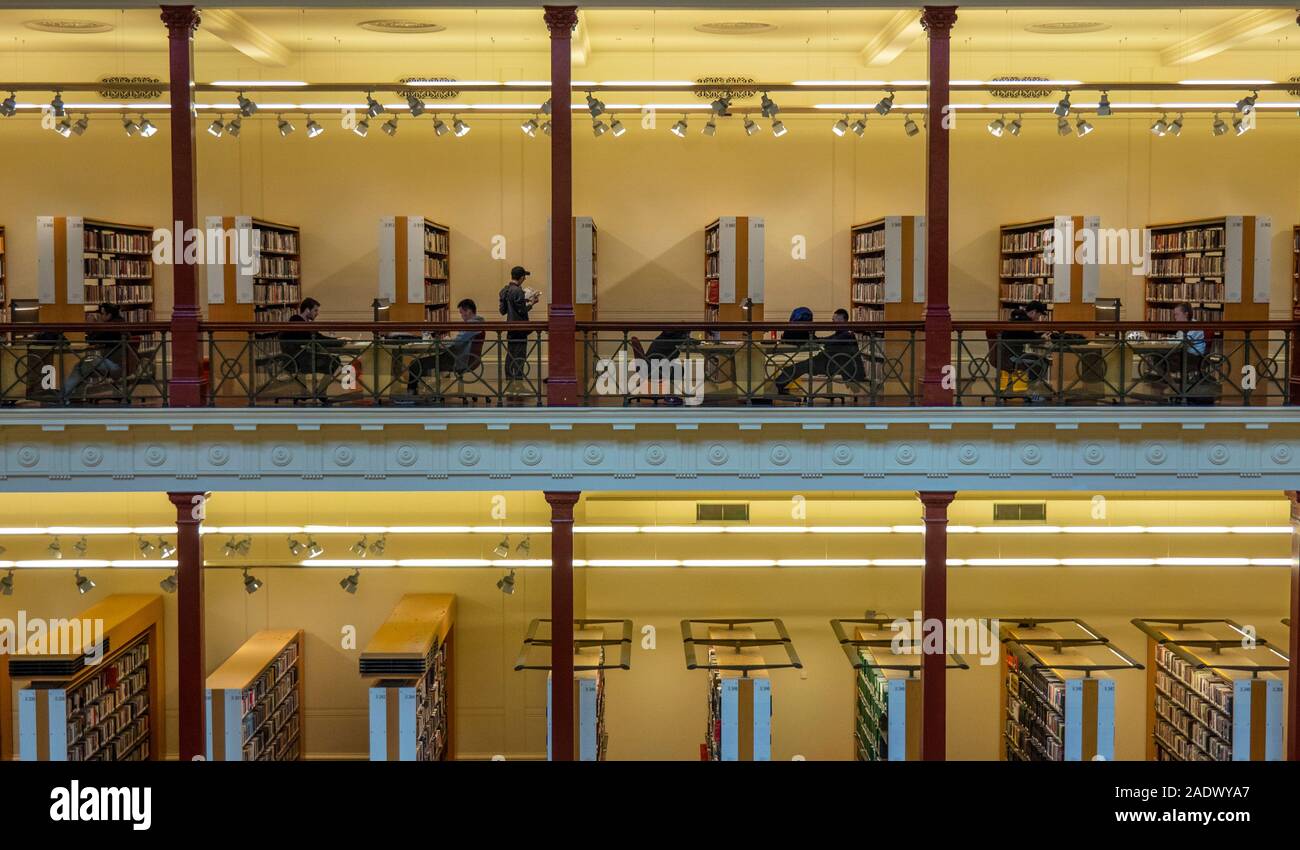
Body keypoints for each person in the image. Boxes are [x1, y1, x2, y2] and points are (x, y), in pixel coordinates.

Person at [775, 308, 865, 395]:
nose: (833, 323)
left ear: (843, 320)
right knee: (795, 367)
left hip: (830, 364)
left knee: (796, 368)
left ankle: (776, 387)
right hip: (829, 362)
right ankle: (778, 386)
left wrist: (814, 339)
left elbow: (829, 341)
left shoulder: (846, 335)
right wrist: (815, 339)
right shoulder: (843, 333)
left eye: (835, 320)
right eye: (833, 320)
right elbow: (828, 340)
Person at [406, 298, 486, 396]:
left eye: (461, 313)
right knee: (423, 363)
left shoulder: (472, 325)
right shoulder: (479, 323)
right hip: (465, 358)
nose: (461, 316)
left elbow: (457, 342)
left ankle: (412, 393)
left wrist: (443, 342)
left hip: (457, 359)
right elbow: (460, 341)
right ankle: (424, 391)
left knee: (415, 363)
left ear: (468, 311)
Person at [60, 303, 130, 401]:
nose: (100, 316)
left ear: (109, 315)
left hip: (114, 365)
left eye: (102, 314)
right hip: (123, 364)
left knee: (81, 366)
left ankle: (64, 395)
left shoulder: (110, 327)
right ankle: (76, 395)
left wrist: (92, 325)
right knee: (85, 365)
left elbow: (91, 340)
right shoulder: (121, 323)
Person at [279, 297, 345, 392]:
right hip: (297, 360)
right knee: (334, 361)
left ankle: (312, 392)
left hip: (299, 357)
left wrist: (337, 340)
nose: (317, 313)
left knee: (332, 360)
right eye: (315, 310)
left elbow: (317, 337)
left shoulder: (305, 323)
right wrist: (338, 342)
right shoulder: (297, 320)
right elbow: (316, 338)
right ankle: (321, 391)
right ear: (307, 310)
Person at [499, 265, 538, 382]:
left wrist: (523, 301)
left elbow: (503, 311)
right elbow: (521, 311)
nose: (525, 279)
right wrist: (532, 302)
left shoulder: (505, 290)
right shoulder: (518, 291)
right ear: (521, 278)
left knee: (510, 355)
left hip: (510, 328)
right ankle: (518, 380)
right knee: (520, 356)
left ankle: (509, 379)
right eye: (524, 277)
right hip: (520, 328)